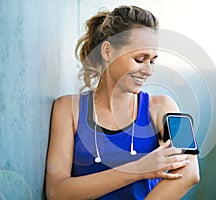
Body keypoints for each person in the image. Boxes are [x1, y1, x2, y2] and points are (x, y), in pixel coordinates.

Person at [46, 5, 199, 200]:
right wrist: (138, 169)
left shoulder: (166, 107)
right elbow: (56, 191)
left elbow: (191, 173)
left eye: (152, 61)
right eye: (139, 59)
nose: (148, 70)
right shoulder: (67, 109)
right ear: (108, 51)